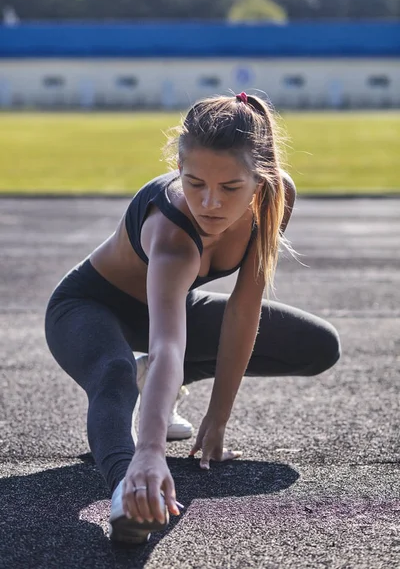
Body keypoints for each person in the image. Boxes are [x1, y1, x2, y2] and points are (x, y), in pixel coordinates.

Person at [45, 92, 341, 545]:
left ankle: (152, 386)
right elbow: (168, 346)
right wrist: (150, 450)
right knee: (115, 374)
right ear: (179, 168)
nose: (210, 203)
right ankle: (129, 489)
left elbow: (245, 309)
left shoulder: (276, 197)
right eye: (194, 182)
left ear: (259, 181)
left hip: (170, 309)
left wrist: (218, 418)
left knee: (318, 344)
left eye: (230, 188)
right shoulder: (171, 232)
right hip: (88, 308)